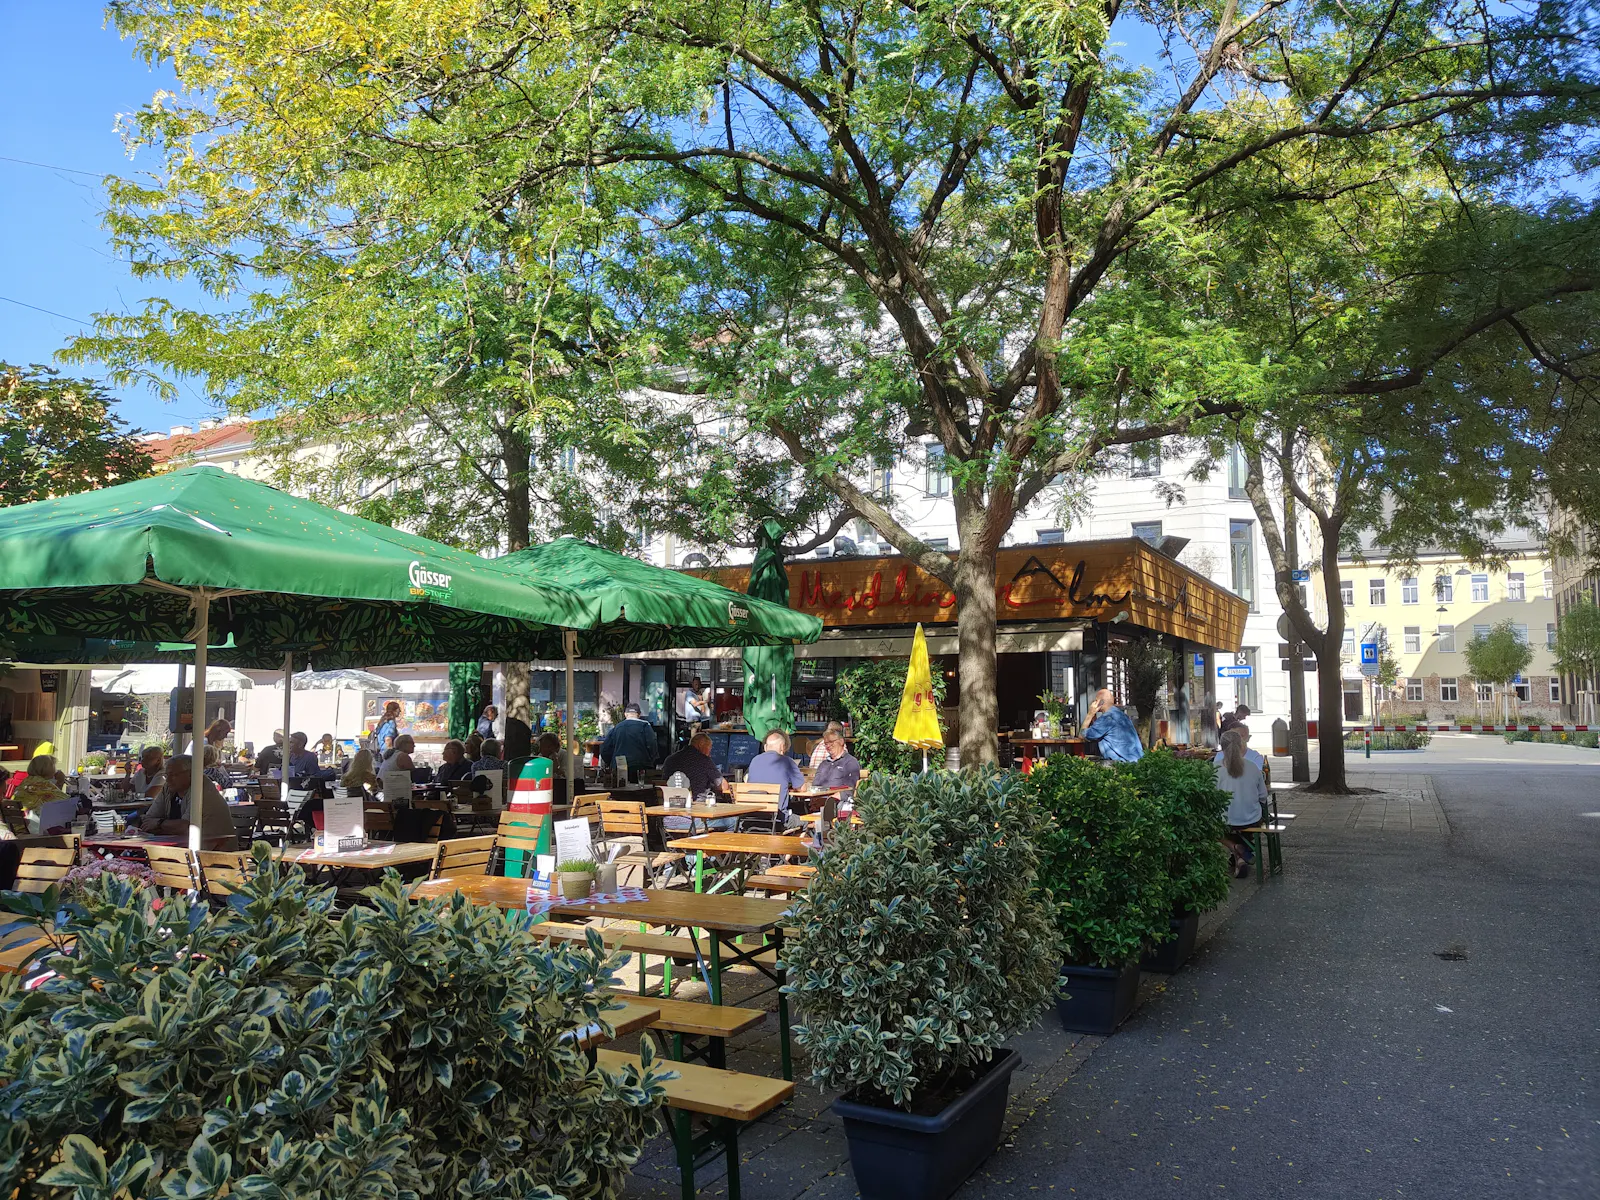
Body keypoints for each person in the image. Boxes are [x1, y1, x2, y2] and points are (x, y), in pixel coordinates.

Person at [139, 754, 238, 850]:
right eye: (167, 775)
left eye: (173, 775)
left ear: (191, 774)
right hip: (181, 849)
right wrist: (161, 825)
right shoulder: (168, 788)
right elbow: (149, 820)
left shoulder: (201, 790)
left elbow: (187, 827)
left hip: (212, 854)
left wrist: (159, 824)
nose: (168, 779)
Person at [1215, 728, 1269, 877]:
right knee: (1248, 822)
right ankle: (1240, 856)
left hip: (1223, 821)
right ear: (1241, 745)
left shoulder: (1215, 769)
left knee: (1212, 828)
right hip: (1251, 820)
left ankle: (1235, 848)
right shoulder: (1253, 768)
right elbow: (1263, 797)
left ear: (1222, 747)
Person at [746, 729, 805, 819]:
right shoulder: (786, 761)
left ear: (765, 747)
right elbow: (801, 788)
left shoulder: (755, 760)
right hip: (777, 819)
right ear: (782, 747)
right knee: (805, 820)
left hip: (752, 817)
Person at [659, 733, 727, 802]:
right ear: (700, 745)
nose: (710, 753)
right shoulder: (703, 760)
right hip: (698, 806)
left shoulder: (670, 759)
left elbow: (665, 782)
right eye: (709, 748)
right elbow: (723, 786)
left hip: (672, 803)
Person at [1083, 688, 1145, 763]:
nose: (1094, 703)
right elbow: (1097, 731)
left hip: (1120, 763)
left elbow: (1083, 735)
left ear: (1100, 702)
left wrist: (1090, 714)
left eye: (1096, 700)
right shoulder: (1121, 715)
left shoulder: (1107, 718)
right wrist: (1094, 716)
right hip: (1135, 761)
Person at [600, 703, 658, 782]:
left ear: (625, 714)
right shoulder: (645, 726)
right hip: (640, 766)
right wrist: (650, 762)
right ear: (639, 714)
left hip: (619, 766)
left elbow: (605, 749)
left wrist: (611, 763)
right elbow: (652, 745)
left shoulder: (617, 727)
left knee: (621, 790)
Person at [811, 727, 862, 798]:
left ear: (841, 741)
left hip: (837, 803)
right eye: (826, 743)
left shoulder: (850, 762)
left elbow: (849, 789)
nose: (828, 746)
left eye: (831, 742)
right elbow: (815, 786)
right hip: (819, 801)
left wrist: (830, 800)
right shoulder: (824, 764)